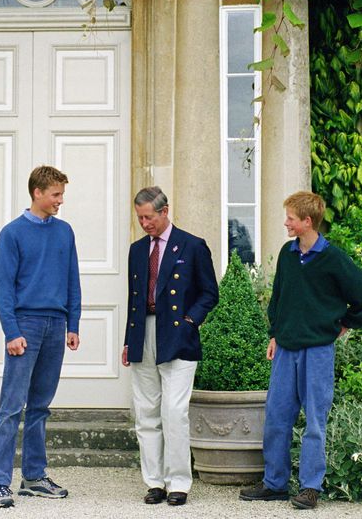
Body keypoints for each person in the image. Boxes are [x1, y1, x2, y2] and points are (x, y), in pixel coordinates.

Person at [239, 191, 362, 510]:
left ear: (307, 221)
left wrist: (346, 323)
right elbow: (279, 297)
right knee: (276, 417)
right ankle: (274, 483)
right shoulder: (287, 254)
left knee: (314, 420)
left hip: (317, 351)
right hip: (286, 349)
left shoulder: (333, 258)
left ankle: (311, 487)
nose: (285, 223)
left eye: (290, 218)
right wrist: (274, 333)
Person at [0, 166, 82, 508]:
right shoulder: (12, 234)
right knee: (11, 407)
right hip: (25, 326)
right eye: (56, 194)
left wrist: (73, 324)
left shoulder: (64, 232)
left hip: (56, 325)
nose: (60, 201)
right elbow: (2, 287)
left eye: (62, 195)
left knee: (40, 407)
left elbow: (72, 280)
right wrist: (11, 331)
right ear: (37, 193)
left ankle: (33, 477)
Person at [122, 186, 219, 506]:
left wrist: (190, 321)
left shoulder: (192, 245)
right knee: (146, 413)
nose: (144, 223)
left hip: (178, 335)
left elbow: (210, 293)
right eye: (140, 218)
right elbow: (134, 300)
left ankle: (178, 482)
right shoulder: (137, 250)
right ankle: (154, 482)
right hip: (143, 334)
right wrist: (128, 341)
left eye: (149, 217)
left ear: (165, 211)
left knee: (174, 412)